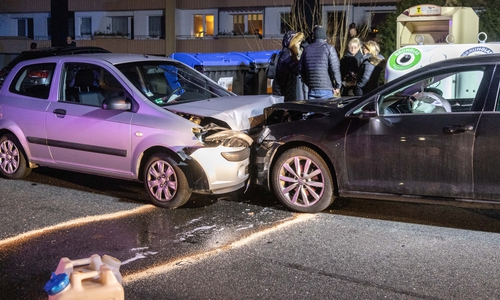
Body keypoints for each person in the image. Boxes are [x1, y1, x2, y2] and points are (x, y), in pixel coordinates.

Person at [300, 26, 342, 99]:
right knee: (326, 109)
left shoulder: (306, 49)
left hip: (312, 87)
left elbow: (301, 68)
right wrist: (338, 85)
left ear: (314, 36)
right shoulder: (329, 48)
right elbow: (335, 68)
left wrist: (308, 82)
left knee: (312, 109)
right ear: (325, 37)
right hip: (326, 87)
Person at [272, 31, 306, 101]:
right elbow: (296, 69)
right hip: (283, 89)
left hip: (285, 88)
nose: (299, 43)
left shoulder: (288, 52)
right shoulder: (287, 53)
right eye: (298, 41)